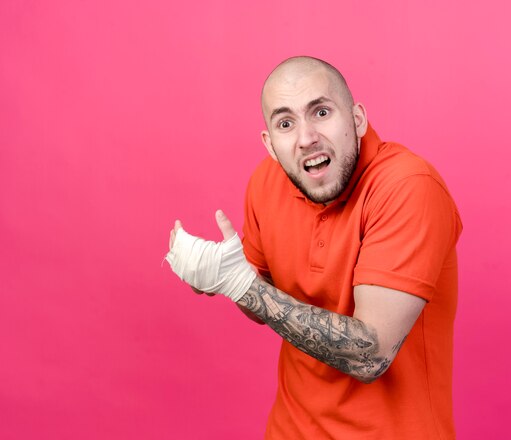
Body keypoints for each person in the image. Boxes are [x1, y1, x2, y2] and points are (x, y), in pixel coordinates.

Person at [166, 56, 463, 439]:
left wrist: (239, 284)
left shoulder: (408, 187)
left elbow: (371, 355)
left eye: (321, 112)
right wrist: (215, 274)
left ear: (358, 120)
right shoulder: (267, 182)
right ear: (270, 144)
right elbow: (261, 303)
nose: (306, 138)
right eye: (285, 123)